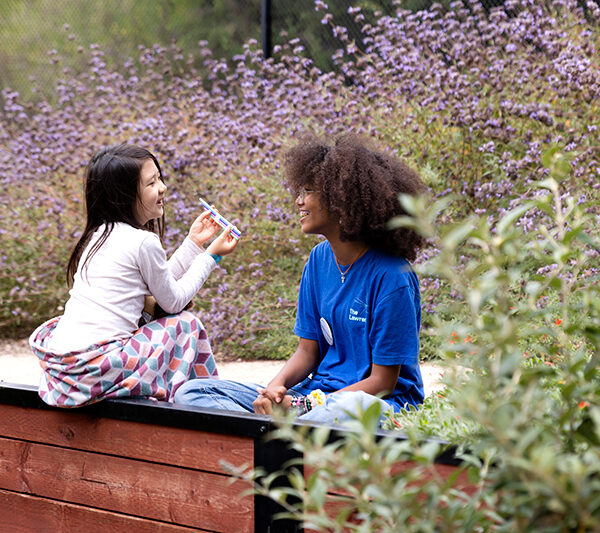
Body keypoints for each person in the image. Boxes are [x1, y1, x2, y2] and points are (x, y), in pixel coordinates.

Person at [175, 134, 427, 425]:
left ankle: (284, 432)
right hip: (314, 399)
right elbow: (308, 351)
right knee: (193, 392)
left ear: (341, 199)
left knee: (345, 407)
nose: (299, 201)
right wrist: (273, 391)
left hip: (377, 403)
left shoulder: (392, 277)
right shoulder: (319, 260)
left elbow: (383, 382)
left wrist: (305, 406)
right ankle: (279, 430)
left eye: (309, 191)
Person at [29, 144, 239, 407]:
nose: (162, 187)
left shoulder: (98, 236)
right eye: (151, 183)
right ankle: (204, 406)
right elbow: (171, 302)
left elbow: (159, 286)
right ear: (124, 196)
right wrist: (211, 257)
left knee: (159, 318)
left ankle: (194, 400)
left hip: (65, 370)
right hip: (97, 367)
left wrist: (193, 243)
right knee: (186, 324)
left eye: (159, 178)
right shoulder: (142, 241)